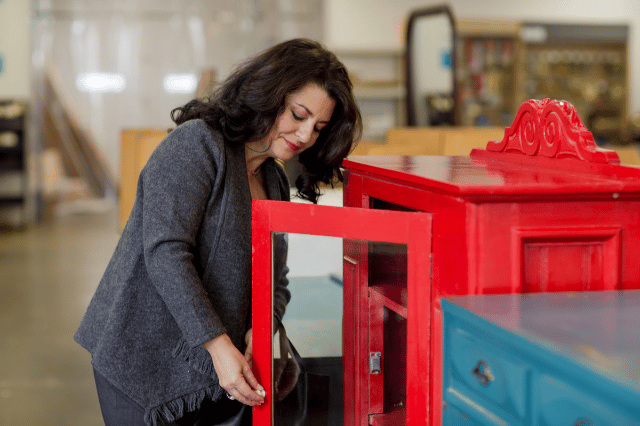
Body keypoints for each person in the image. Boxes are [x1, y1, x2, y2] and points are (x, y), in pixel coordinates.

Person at [74, 38, 362, 426]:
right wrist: (218, 344)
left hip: (207, 364)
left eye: (319, 126)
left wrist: (263, 328)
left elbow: (276, 279)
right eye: (298, 114)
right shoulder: (197, 145)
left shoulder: (273, 179)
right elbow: (166, 253)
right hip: (142, 353)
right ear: (268, 95)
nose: (307, 134)